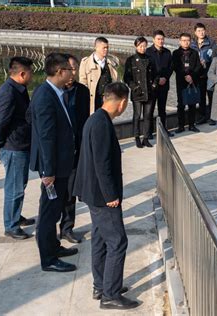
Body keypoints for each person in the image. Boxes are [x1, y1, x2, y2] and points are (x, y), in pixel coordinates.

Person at [73, 82, 138, 310]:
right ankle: (110, 294)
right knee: (118, 241)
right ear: (121, 102)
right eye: (126, 103)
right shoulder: (100, 124)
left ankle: (101, 285)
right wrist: (111, 195)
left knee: (100, 239)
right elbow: (102, 164)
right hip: (102, 195)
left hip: (93, 192)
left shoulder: (97, 119)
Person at [29, 53, 77, 272]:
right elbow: (46, 136)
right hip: (53, 168)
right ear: (60, 71)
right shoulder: (45, 95)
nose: (72, 72)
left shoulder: (53, 92)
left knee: (55, 209)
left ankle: (54, 247)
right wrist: (48, 171)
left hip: (60, 163)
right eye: (69, 69)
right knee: (49, 213)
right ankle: (48, 259)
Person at [0, 57, 35, 239]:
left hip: (21, 143)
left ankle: (15, 215)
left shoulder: (19, 89)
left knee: (20, 184)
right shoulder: (8, 92)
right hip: (13, 146)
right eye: (31, 73)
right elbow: (1, 121)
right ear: (22, 74)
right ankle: (11, 225)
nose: (32, 77)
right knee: (14, 187)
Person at [58, 54, 90, 244]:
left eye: (74, 69)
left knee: (70, 192)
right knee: (55, 194)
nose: (72, 73)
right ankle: (49, 229)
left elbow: (84, 119)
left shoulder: (83, 91)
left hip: (75, 149)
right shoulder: (55, 92)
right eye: (69, 68)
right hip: (57, 151)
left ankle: (67, 228)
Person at [124, 37, 155, 148]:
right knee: (137, 115)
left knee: (147, 116)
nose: (142, 48)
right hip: (137, 92)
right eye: (140, 46)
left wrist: (154, 85)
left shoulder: (150, 59)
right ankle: (136, 137)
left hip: (149, 92)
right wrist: (134, 87)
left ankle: (145, 138)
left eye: (144, 46)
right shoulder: (131, 60)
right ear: (136, 46)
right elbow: (126, 77)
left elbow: (155, 74)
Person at [172, 33, 202, 133]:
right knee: (180, 104)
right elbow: (175, 67)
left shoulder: (194, 52)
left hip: (193, 81)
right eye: (184, 40)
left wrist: (191, 76)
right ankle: (181, 126)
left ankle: (191, 125)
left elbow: (198, 66)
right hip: (181, 81)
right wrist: (185, 76)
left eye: (188, 40)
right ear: (180, 41)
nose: (186, 42)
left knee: (192, 103)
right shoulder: (176, 53)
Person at [146, 30, 173, 137]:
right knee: (150, 109)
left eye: (162, 39)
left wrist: (165, 78)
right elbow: (148, 69)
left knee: (162, 109)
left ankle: (163, 130)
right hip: (152, 85)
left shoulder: (167, 52)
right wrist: (157, 79)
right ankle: (149, 132)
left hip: (164, 85)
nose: (161, 41)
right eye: (158, 39)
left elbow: (171, 67)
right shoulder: (148, 52)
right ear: (153, 40)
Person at [79, 37, 118, 113]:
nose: (106, 50)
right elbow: (83, 81)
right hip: (93, 99)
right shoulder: (86, 62)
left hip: (108, 99)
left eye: (107, 48)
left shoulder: (111, 63)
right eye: (104, 48)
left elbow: (115, 81)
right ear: (96, 47)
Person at [191, 23, 215, 126]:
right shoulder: (192, 44)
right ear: (195, 32)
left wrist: (206, 60)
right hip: (198, 74)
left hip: (209, 73)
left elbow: (215, 56)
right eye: (199, 31)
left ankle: (213, 117)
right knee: (200, 97)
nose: (201, 32)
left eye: (203, 30)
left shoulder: (211, 43)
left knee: (211, 95)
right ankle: (202, 117)